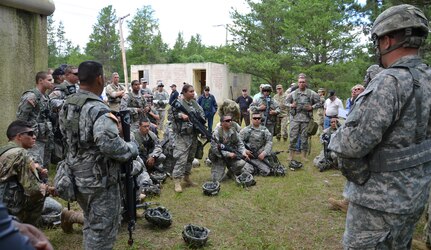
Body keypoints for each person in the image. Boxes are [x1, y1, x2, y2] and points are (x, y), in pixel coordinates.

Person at [328, 5, 431, 249]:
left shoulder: (388, 82)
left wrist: (361, 177)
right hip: (415, 197)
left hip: (378, 204)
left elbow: (348, 146)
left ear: (386, 41)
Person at [60, 61, 138, 249]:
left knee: (91, 220)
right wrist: (132, 147)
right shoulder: (98, 109)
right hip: (98, 181)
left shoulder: (68, 104)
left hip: (75, 175)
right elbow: (109, 144)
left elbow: (67, 136)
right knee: (102, 231)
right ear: (100, 79)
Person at [168, 84, 204, 193]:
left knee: (190, 157)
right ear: (184, 92)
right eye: (191, 91)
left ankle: (186, 177)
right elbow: (169, 116)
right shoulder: (178, 103)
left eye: (193, 91)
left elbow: (201, 114)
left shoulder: (194, 103)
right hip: (182, 136)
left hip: (193, 135)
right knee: (181, 158)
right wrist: (180, 116)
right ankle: (177, 181)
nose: (193, 93)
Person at [16, 71, 54, 168]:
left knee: (44, 168)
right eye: (49, 80)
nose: (52, 82)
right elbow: (21, 120)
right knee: (35, 166)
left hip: (44, 137)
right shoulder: (31, 96)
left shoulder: (45, 97)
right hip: (34, 139)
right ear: (40, 81)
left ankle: (43, 183)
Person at [285, 74, 320, 160]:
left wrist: (312, 107)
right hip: (295, 119)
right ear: (298, 83)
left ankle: (304, 156)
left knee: (304, 137)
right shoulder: (293, 93)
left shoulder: (311, 93)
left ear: (306, 83)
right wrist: (291, 105)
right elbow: (285, 102)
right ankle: (291, 155)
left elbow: (320, 102)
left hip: (306, 119)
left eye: (303, 82)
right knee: (293, 137)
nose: (301, 83)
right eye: (300, 82)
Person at [49, 66, 79, 163]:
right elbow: (50, 102)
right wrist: (67, 102)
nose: (78, 76)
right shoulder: (60, 88)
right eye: (75, 74)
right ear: (67, 75)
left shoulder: (78, 88)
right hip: (64, 124)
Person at [209, 115, 248, 182]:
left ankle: (230, 173)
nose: (230, 122)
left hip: (232, 156)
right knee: (216, 180)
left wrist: (243, 152)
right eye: (227, 121)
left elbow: (240, 143)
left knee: (242, 162)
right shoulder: (216, 133)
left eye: (231, 120)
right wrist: (228, 154)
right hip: (220, 157)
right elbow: (215, 149)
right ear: (222, 123)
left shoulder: (233, 131)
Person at [240, 112, 273, 176]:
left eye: (258, 118)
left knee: (266, 172)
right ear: (251, 119)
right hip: (249, 157)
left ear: (260, 119)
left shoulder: (264, 130)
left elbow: (269, 142)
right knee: (246, 172)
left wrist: (264, 153)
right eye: (255, 118)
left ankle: (257, 168)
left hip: (261, 156)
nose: (257, 120)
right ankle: (254, 168)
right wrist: (245, 151)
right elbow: (239, 142)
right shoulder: (246, 130)